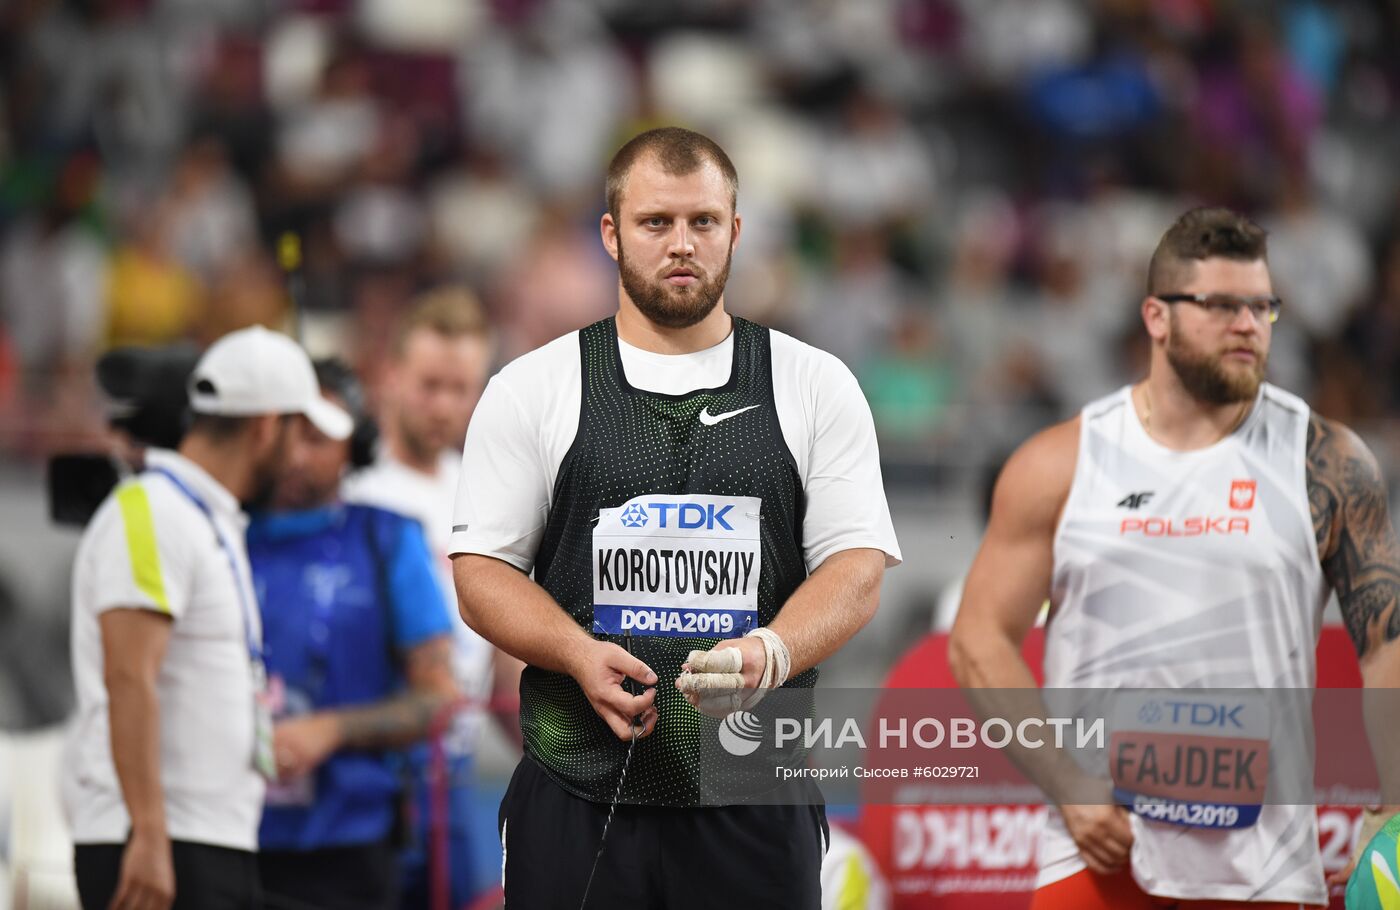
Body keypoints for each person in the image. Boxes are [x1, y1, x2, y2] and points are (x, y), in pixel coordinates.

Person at [450, 126, 902, 908]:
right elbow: (481, 572)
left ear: (736, 230)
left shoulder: (814, 384)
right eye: (656, 222)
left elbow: (857, 570)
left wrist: (772, 650)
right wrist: (576, 652)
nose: (682, 244)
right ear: (611, 235)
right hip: (577, 780)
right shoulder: (533, 387)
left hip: (754, 779)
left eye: (703, 222)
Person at [948, 207, 1400, 909]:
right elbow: (978, 639)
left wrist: (1392, 803)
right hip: (1099, 862)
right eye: (1222, 305)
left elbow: (1384, 643)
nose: (1249, 325)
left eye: (1263, 306)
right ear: (1156, 318)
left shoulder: (1329, 463)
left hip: (1266, 872)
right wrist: (1069, 786)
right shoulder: (1061, 463)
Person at [63, 326, 352, 910]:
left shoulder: (202, 516)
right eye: (301, 434)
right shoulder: (152, 510)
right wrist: (146, 832)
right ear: (266, 426)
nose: (301, 459)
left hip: (203, 839)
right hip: (158, 841)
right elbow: (129, 677)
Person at [247, 359, 458, 910]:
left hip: (348, 845)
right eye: (285, 431)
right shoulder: (217, 529)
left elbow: (439, 699)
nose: (295, 455)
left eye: (318, 437)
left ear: (355, 445)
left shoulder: (385, 538)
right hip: (226, 837)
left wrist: (331, 731)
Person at [342, 287, 518, 907]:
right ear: (389, 376)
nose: (443, 404)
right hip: (359, 770)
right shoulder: (348, 491)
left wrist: (571, 757)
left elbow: (503, 661)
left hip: (452, 772)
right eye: (428, 384)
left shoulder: (485, 499)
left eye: (460, 387)